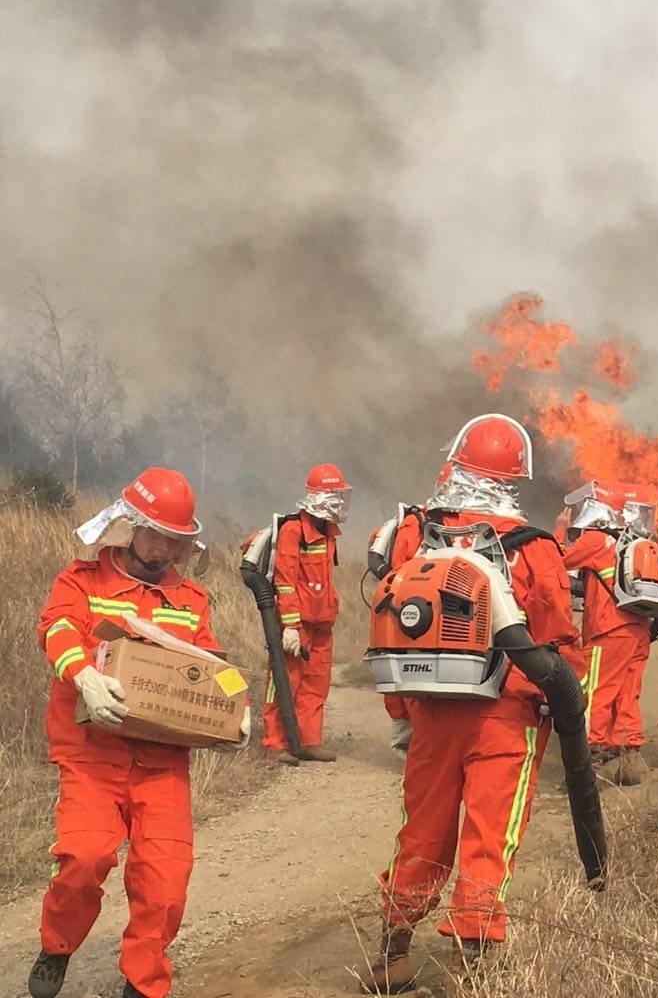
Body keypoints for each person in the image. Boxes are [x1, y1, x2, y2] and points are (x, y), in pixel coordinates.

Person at [361, 415, 581, 994]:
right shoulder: (536, 548)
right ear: (515, 475)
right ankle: (470, 972)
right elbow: (558, 644)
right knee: (490, 839)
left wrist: (402, 714)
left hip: (429, 710)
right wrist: (560, 709)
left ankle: (390, 958)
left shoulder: (414, 534)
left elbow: (390, 621)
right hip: (506, 717)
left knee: (422, 834)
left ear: (455, 461)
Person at [29, 468, 248, 998]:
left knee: (166, 884)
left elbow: (208, 660)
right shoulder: (82, 580)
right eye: (162, 537)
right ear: (133, 525)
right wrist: (82, 674)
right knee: (84, 859)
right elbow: (55, 626)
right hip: (91, 756)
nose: (170, 550)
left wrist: (233, 705)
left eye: (180, 541)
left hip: (161, 762)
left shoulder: (191, 598)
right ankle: (57, 945)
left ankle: (142, 981)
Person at [562, 481, 658, 786]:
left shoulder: (595, 538)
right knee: (627, 692)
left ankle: (588, 759)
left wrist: (559, 531)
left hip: (608, 629)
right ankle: (628, 756)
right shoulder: (633, 539)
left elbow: (557, 562)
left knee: (595, 691)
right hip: (638, 629)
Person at [262, 462, 350, 766]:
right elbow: (284, 582)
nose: (340, 503)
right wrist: (289, 626)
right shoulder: (293, 531)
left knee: (316, 683)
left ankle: (308, 741)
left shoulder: (328, 533)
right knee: (285, 680)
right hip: (296, 625)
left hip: (322, 623)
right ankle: (275, 742)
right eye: (335, 496)